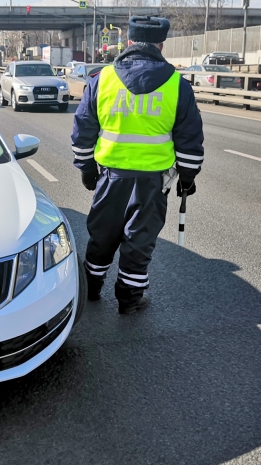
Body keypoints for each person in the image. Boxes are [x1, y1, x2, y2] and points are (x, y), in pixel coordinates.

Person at [71, 16, 205, 315]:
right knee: (139, 240)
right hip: (153, 182)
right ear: (161, 44)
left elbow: (83, 130)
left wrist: (86, 167)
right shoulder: (177, 85)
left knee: (102, 233)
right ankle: (129, 299)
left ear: (128, 42)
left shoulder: (102, 80)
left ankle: (91, 288)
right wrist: (187, 176)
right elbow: (189, 138)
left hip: (111, 177)